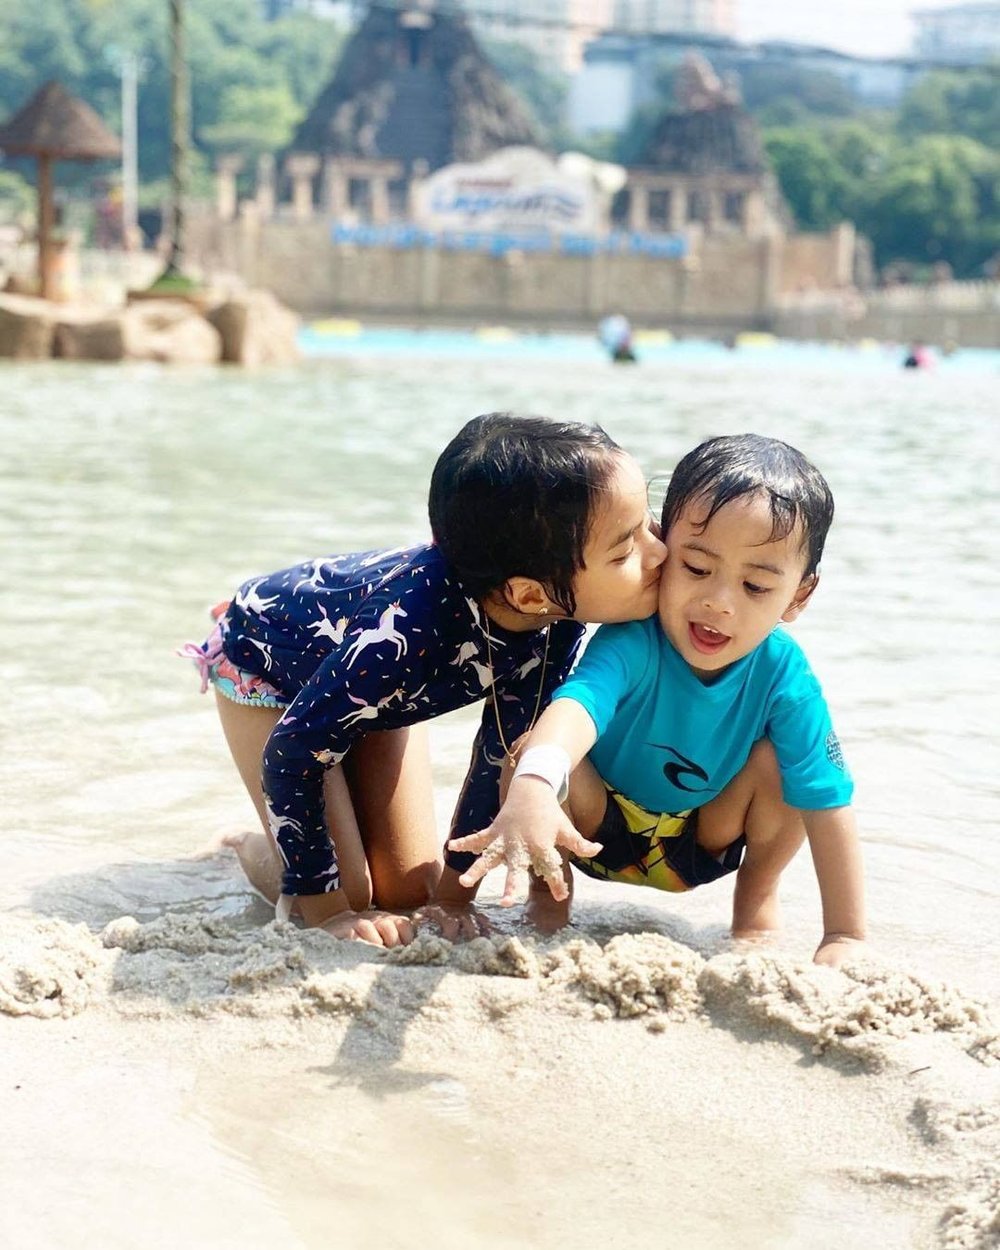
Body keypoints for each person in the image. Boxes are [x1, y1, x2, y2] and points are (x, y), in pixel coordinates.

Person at [182, 412, 666, 946]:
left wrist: (452, 899)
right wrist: (330, 916)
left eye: (649, 524)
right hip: (270, 668)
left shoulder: (556, 617)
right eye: (626, 550)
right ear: (529, 594)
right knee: (355, 892)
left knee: (411, 891)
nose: (659, 552)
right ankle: (243, 848)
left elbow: (500, 750)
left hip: (377, 696)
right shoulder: (406, 633)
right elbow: (291, 753)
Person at [448, 433, 866, 969]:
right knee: (534, 749)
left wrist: (846, 934)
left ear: (799, 596)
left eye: (756, 587)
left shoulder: (785, 675)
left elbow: (828, 800)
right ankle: (547, 902)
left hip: (703, 841)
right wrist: (532, 786)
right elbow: (576, 710)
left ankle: (756, 906)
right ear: (662, 547)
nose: (718, 602)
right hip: (592, 832)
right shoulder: (632, 640)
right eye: (696, 568)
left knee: (788, 767)